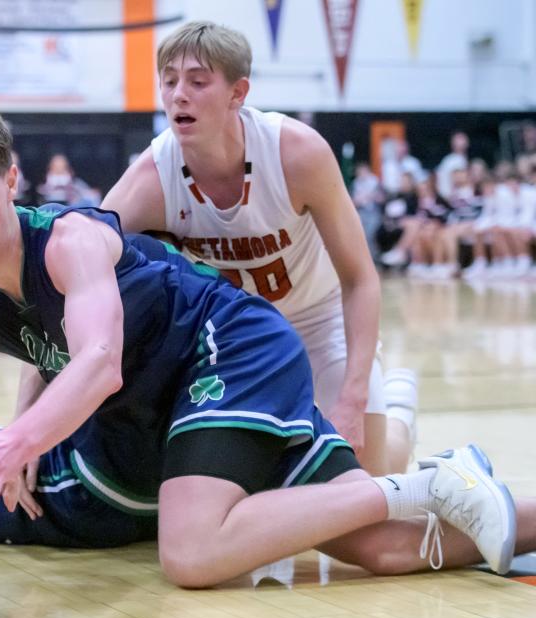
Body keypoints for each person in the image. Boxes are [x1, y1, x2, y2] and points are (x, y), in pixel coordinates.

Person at [0, 101, 532, 587]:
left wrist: (21, 439)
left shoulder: (69, 242)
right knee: (383, 547)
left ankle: (422, 485)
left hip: (226, 347)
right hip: (163, 407)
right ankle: (475, 499)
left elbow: (97, 365)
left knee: (192, 552)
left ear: (10, 180)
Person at [102, 21, 412, 475]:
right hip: (234, 337)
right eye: (168, 81)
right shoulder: (150, 178)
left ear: (237, 92)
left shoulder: (297, 153)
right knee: (260, 484)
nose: (178, 94)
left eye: (197, 81)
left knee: (368, 485)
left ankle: (399, 409)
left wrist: (354, 395)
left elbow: (361, 278)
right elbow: (72, 272)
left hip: (318, 320)